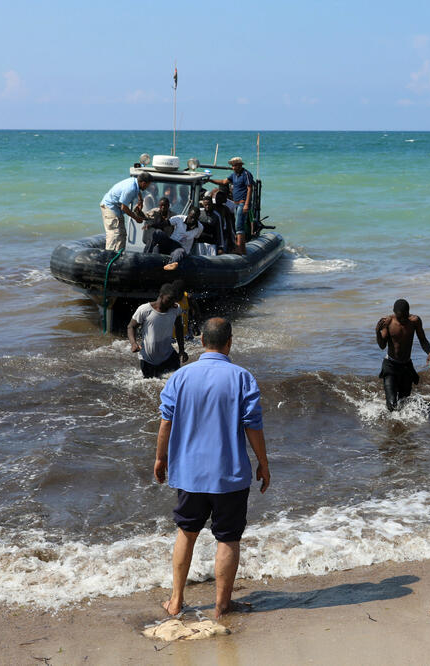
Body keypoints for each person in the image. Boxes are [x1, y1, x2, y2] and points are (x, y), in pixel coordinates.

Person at [155, 317, 271, 618]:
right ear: (229, 342)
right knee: (228, 538)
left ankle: (176, 601)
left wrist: (160, 458)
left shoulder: (180, 376)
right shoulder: (242, 377)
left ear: (202, 341)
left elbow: (166, 421)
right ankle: (222, 605)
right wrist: (263, 462)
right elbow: (253, 426)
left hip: (190, 474)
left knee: (187, 532)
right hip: (229, 475)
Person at [375, 299, 430, 411]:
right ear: (394, 313)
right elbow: (382, 346)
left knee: (404, 403)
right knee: (392, 405)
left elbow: (423, 339)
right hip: (390, 366)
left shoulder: (415, 321)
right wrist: (377, 332)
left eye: (404, 316)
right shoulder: (388, 322)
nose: (402, 319)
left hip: (406, 366)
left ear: (408, 313)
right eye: (399, 317)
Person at [128, 283, 187, 378]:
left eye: (174, 300)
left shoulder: (175, 309)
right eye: (169, 299)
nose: (172, 303)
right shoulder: (145, 310)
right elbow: (131, 327)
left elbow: (179, 328)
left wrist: (181, 350)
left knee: (175, 382)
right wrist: (133, 343)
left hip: (168, 357)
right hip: (148, 359)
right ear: (161, 295)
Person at [207, 157, 254, 253]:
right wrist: (210, 180)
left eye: (235, 165)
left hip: (242, 203)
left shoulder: (246, 174)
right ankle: (242, 249)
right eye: (232, 165)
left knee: (238, 226)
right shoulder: (234, 175)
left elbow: (250, 189)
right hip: (236, 203)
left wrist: (246, 204)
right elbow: (224, 182)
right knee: (239, 226)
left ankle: (238, 248)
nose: (233, 167)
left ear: (240, 165)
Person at [100, 171, 152, 251]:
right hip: (110, 207)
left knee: (122, 234)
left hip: (116, 209)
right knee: (114, 234)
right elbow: (124, 207)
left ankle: (119, 255)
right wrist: (136, 218)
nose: (148, 187)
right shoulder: (130, 188)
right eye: (148, 185)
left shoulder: (135, 182)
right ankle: (109, 257)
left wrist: (140, 199)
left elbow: (137, 190)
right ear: (143, 183)